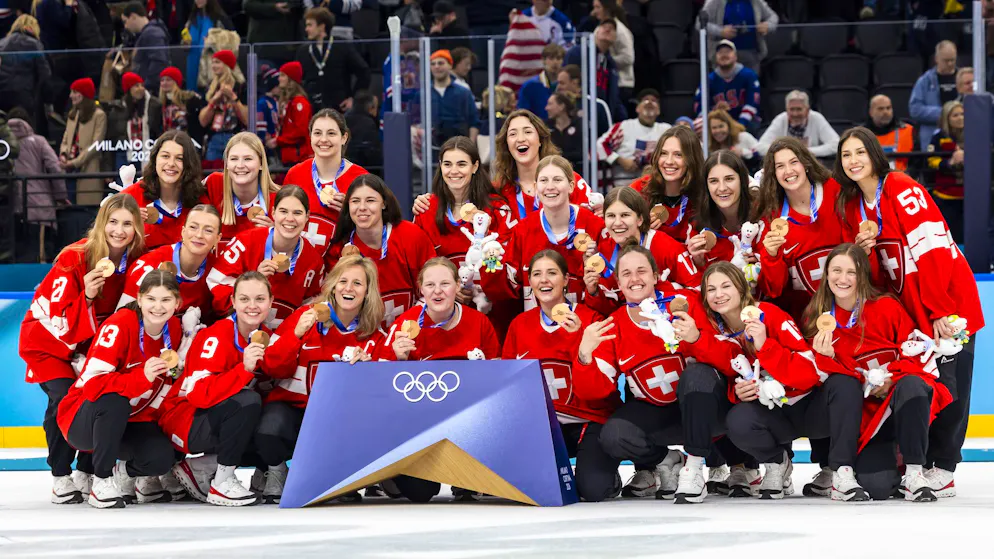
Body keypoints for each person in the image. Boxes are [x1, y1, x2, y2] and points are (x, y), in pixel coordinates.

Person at [834, 126, 984, 497]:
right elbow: (876, 278)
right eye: (846, 155)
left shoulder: (900, 185)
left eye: (859, 153)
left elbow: (932, 247)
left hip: (948, 304)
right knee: (929, 385)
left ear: (873, 154)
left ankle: (945, 468)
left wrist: (939, 310)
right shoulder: (854, 206)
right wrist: (864, 251)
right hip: (915, 314)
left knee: (951, 386)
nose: (853, 161)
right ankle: (920, 461)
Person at [574, 245, 745, 504]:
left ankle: (695, 469)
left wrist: (696, 339)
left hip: (704, 411)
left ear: (655, 276)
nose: (635, 279)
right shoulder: (615, 324)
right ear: (618, 282)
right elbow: (595, 391)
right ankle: (668, 461)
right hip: (658, 413)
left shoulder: (684, 304)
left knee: (697, 374)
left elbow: (733, 359)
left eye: (642, 271)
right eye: (627, 273)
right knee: (614, 434)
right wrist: (585, 356)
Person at [799, 243, 952, 502]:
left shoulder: (886, 308)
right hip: (863, 420)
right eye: (836, 270)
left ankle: (915, 472)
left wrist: (892, 378)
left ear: (863, 276)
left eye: (851, 272)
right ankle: (853, 467)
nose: (843, 279)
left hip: (896, 405)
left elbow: (914, 353)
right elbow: (819, 382)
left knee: (913, 384)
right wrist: (825, 359)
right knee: (878, 487)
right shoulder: (816, 318)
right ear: (826, 275)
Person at [18, 194, 145, 505]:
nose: (118, 230)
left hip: (87, 345)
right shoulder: (74, 257)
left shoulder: (137, 261)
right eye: (113, 222)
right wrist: (87, 296)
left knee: (96, 396)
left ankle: (86, 471)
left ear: (136, 229)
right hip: (48, 342)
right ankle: (60, 475)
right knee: (63, 398)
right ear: (101, 224)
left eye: (127, 224)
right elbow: (56, 317)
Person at [708, 261, 862, 500]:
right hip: (774, 415)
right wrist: (737, 392)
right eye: (711, 289)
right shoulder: (716, 332)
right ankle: (776, 462)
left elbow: (807, 372)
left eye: (725, 286)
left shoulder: (769, 314)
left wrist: (764, 345)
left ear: (740, 288)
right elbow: (729, 376)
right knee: (738, 421)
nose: (719, 294)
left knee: (845, 384)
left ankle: (841, 470)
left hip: (809, 406)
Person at [254, 257, 383, 503]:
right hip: (294, 410)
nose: (348, 288)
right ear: (333, 285)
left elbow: (378, 398)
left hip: (335, 420)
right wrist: (295, 335)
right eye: (343, 281)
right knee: (270, 429)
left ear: (367, 292)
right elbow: (272, 366)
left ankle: (340, 474)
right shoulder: (305, 316)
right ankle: (277, 471)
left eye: (357, 283)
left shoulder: (372, 334)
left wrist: (366, 370)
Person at [56, 269, 185, 508]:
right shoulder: (119, 324)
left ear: (177, 303)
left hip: (130, 421)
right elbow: (94, 386)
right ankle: (101, 480)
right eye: (151, 299)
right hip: (83, 419)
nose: (158, 307)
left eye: (166, 300)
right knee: (114, 401)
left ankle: (123, 471)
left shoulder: (174, 329)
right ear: (139, 299)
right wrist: (142, 376)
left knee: (161, 458)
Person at [502, 250, 623, 502]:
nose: (544, 280)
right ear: (530, 282)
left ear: (566, 279)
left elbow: (600, 390)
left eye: (552, 273)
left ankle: (603, 472)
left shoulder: (592, 319)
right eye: (537, 274)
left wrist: (580, 341)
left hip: (589, 419)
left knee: (592, 490)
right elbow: (509, 390)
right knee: (530, 489)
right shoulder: (519, 325)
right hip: (545, 425)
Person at [380, 257, 500, 501]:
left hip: (468, 423)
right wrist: (397, 359)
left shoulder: (479, 323)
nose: (437, 291)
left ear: (457, 286)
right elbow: (381, 383)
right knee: (420, 493)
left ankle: (467, 474)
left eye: (445, 284)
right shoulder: (405, 324)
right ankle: (390, 473)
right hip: (420, 425)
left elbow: (497, 379)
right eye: (430, 285)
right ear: (420, 289)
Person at [159, 271, 277, 506]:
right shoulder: (215, 335)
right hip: (183, 419)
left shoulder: (265, 336)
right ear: (233, 302)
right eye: (244, 299)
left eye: (260, 299)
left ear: (271, 302)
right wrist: (243, 370)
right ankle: (222, 481)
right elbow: (198, 394)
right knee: (248, 401)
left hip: (211, 417)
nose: (252, 306)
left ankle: (201, 466)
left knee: (271, 420)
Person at [413, 137, 515, 333]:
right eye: (448, 164)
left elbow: (507, 265)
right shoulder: (426, 210)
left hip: (492, 314)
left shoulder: (497, 209)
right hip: (443, 317)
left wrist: (480, 288)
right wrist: (450, 290)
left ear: (475, 166)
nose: (454, 171)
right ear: (440, 167)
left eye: (462, 164)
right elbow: (420, 268)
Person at [207, 185, 326, 327]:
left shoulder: (314, 261)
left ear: (307, 216)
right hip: (238, 332)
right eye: (283, 211)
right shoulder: (245, 242)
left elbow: (310, 309)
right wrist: (253, 282)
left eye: (297, 213)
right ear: (273, 212)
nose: (290, 219)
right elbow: (216, 286)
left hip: (285, 339)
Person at [327, 175, 436, 328]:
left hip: (415, 331)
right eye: (355, 201)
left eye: (370, 200)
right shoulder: (339, 250)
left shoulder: (411, 235)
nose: (362, 207)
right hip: (364, 339)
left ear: (384, 203)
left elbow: (434, 286)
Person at [754, 137, 844, 321]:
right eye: (780, 166)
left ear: (806, 163)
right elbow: (774, 288)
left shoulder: (834, 190)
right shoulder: (771, 219)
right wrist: (771, 256)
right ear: (773, 174)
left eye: (794, 162)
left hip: (851, 305)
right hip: (806, 318)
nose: (788, 171)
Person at [503, 155, 604, 312]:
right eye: (544, 181)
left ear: (571, 186)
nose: (550, 187)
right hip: (537, 328)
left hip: (585, 325)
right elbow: (509, 290)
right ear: (536, 187)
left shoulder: (594, 225)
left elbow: (609, 290)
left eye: (557, 180)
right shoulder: (523, 230)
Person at [583, 186, 700, 318]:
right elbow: (609, 309)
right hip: (632, 324)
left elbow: (698, 291)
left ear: (640, 219)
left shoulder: (664, 245)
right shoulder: (604, 251)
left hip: (670, 320)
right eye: (611, 216)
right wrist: (593, 292)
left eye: (625, 215)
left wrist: (658, 293)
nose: (617, 223)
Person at [282, 109, 370, 257]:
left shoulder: (360, 179)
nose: (323, 139)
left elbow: (373, 230)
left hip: (342, 268)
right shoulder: (295, 174)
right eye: (317, 133)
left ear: (344, 137)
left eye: (331, 133)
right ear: (310, 137)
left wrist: (351, 213)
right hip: (300, 265)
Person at [488, 109, 592, 226]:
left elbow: (594, 224)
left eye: (527, 132)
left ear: (540, 140)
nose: (520, 139)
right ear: (506, 144)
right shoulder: (497, 190)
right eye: (513, 134)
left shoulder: (570, 180)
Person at [117, 204, 220, 320]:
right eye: (193, 227)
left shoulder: (217, 269)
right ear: (183, 231)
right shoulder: (149, 265)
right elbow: (120, 320)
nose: (199, 235)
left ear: (218, 238)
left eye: (208, 230)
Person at [121, 130, 207, 250]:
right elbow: (102, 240)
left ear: (189, 164)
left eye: (179, 159)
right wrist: (126, 224)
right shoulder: (130, 197)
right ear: (155, 158)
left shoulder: (201, 200)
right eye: (165, 156)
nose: (171, 163)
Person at [9, 112, 68, 262]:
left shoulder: (5, 146)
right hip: (40, 209)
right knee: (41, 257)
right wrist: (61, 196)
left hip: (13, 209)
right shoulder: (39, 141)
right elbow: (55, 168)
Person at [629, 125, 704, 243]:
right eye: (663, 153)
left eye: (678, 154)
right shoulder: (639, 189)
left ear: (692, 159)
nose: (669, 161)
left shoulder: (704, 194)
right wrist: (639, 232)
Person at [685, 150, 757, 270]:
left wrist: (763, 263)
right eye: (714, 181)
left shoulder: (761, 215)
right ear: (706, 186)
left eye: (729, 179)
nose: (722, 188)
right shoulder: (698, 227)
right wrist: (699, 264)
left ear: (742, 180)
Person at [203, 132, 279, 245]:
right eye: (234, 159)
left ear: (262, 163)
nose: (240, 165)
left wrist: (277, 235)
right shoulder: (214, 183)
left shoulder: (278, 201)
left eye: (248, 159)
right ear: (227, 164)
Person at [296, 7, 371, 113]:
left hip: (339, 109)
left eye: (310, 25)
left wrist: (353, 98)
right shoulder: (303, 51)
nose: (306, 29)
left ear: (322, 26)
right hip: (311, 110)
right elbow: (297, 80)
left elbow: (364, 72)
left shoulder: (341, 46)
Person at [597, 89, 671, 187]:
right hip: (624, 185)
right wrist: (619, 159)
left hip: (656, 185)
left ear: (658, 111)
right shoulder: (624, 127)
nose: (649, 102)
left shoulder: (666, 130)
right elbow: (599, 145)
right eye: (645, 100)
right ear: (637, 108)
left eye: (654, 100)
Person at [564, 20, 626, 129]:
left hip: (601, 116)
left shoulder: (611, 64)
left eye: (612, 29)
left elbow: (613, 96)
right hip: (578, 113)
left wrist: (624, 120)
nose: (607, 29)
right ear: (596, 32)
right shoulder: (577, 53)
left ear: (615, 38)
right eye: (604, 26)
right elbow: (565, 82)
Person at [694, 40, 761, 132]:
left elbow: (752, 103)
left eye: (728, 52)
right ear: (716, 57)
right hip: (717, 123)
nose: (724, 55)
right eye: (720, 52)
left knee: (753, 123)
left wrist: (740, 124)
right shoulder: (708, 80)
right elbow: (699, 106)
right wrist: (714, 111)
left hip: (745, 123)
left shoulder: (748, 75)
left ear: (735, 56)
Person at [59, 78, 107, 205]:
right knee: (70, 205)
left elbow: (96, 144)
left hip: (88, 167)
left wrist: (74, 162)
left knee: (87, 207)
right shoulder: (72, 114)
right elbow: (66, 138)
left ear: (84, 94)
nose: (71, 96)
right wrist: (63, 155)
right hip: (69, 170)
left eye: (75, 92)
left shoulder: (99, 115)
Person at [199, 50, 249, 169]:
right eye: (212, 62)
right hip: (214, 138)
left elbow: (247, 119)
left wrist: (233, 98)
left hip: (235, 137)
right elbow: (202, 121)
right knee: (211, 174)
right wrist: (214, 100)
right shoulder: (210, 88)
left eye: (217, 62)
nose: (213, 66)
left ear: (226, 65)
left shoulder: (241, 86)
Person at [699, 0, 779, 72]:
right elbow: (699, 23)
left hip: (751, 54)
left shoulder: (756, 2)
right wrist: (720, 31)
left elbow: (773, 17)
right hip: (723, 55)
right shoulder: (714, 1)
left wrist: (768, 26)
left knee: (750, 84)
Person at [756, 90, 839, 158]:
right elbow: (761, 147)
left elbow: (835, 144)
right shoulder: (780, 119)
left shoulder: (816, 118)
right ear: (786, 109)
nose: (795, 114)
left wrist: (806, 151)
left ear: (807, 110)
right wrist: (786, 152)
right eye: (791, 109)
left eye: (799, 109)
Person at [926, 101, 965, 243]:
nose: (960, 118)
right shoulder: (938, 137)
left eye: (962, 114)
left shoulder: (974, 134)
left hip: (970, 196)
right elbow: (930, 160)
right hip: (945, 194)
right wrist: (950, 163)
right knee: (950, 236)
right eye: (955, 115)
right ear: (946, 118)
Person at [580, 0, 634, 100]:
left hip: (620, 84)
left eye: (598, 7)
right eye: (594, 7)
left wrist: (608, 61)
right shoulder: (599, 27)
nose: (594, 11)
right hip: (604, 83)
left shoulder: (620, 30)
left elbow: (628, 58)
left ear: (607, 8)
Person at [910, 40, 959, 149]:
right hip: (932, 137)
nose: (950, 64)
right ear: (936, 59)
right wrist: (945, 113)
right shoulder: (924, 81)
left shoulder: (963, 79)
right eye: (946, 60)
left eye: (953, 60)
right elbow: (915, 109)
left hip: (960, 137)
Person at [0, 14, 51, 117]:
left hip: (2, 93)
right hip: (23, 95)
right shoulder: (34, 44)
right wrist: (48, 99)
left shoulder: (2, 43)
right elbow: (44, 74)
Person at [429, 49, 481, 146]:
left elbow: (474, 121)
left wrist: (470, 147)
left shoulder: (464, 92)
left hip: (459, 146)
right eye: (433, 64)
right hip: (431, 148)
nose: (436, 67)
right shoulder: (424, 93)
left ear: (450, 65)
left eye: (440, 63)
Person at [181, 0, 234, 93]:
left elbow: (231, 39)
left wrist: (214, 41)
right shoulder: (191, 19)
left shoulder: (219, 19)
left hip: (211, 64)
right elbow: (184, 45)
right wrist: (185, 43)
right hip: (193, 64)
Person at [120, 1, 169, 95]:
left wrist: (146, 87)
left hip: (150, 91)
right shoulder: (146, 34)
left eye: (125, 21)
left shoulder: (152, 34)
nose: (125, 26)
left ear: (133, 16)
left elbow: (159, 62)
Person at [269, 61, 313, 166]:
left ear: (291, 79)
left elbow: (300, 132)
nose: (279, 78)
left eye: (283, 75)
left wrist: (278, 140)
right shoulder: (290, 102)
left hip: (299, 158)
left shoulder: (300, 103)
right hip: (289, 156)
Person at [121, 72, 164, 166]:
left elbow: (159, 130)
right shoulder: (120, 107)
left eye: (142, 85)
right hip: (126, 153)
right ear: (129, 89)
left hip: (148, 151)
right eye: (136, 86)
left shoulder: (154, 105)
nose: (141, 88)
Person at [864, 94, 915, 173]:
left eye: (888, 108)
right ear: (871, 112)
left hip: (902, 180)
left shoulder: (908, 130)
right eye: (880, 109)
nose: (885, 112)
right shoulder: (860, 134)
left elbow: (916, 163)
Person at [517, 44, 566, 120]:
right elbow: (523, 114)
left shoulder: (567, 85)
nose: (555, 62)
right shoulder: (530, 86)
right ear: (543, 60)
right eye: (551, 58)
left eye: (558, 58)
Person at [159, 67, 207, 139]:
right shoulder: (161, 102)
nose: (164, 83)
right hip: (168, 140)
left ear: (176, 82)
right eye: (162, 80)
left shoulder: (189, 98)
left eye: (168, 80)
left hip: (188, 140)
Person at [545, 91, 583, 172]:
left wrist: (558, 156)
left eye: (550, 104)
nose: (546, 108)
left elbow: (581, 153)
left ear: (561, 106)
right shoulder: (546, 127)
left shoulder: (579, 125)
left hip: (577, 172)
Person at [344, 90, 382, 166]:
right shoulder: (370, 124)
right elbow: (374, 156)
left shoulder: (343, 120)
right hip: (366, 169)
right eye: (375, 107)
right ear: (370, 108)